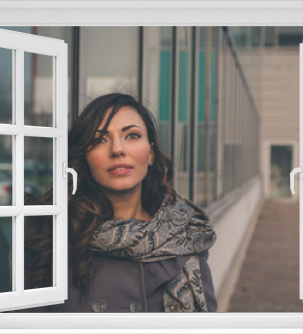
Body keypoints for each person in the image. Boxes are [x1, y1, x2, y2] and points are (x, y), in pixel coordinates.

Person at [24, 93, 217, 312]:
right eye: (99, 140)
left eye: (132, 136)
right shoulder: (50, 232)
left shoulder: (185, 234)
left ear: (151, 152)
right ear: (85, 157)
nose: (117, 149)